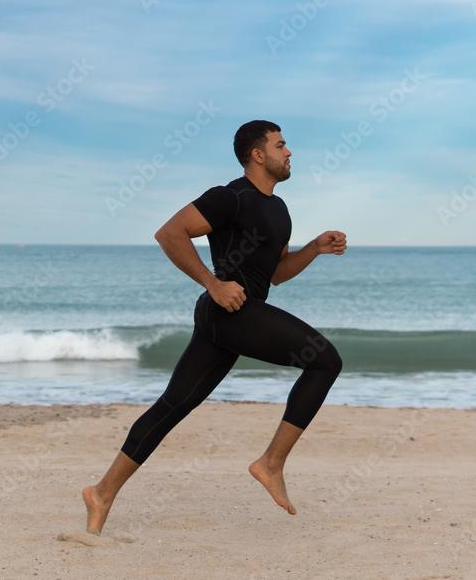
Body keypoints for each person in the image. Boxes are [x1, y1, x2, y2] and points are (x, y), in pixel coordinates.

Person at [83, 120, 346, 535]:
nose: (289, 152)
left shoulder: (278, 209)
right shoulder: (229, 197)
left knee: (173, 405)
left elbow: (275, 274)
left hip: (240, 313)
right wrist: (214, 283)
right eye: (281, 146)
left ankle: (101, 492)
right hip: (225, 311)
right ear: (258, 155)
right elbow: (170, 233)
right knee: (324, 360)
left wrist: (313, 248)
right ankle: (270, 463)